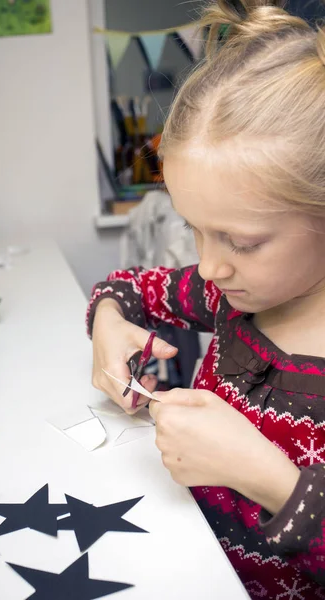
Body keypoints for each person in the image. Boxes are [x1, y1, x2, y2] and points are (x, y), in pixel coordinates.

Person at [86, 1, 325, 598]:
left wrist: (271, 478)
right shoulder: (229, 295)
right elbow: (126, 287)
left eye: (241, 241)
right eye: (194, 228)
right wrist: (109, 324)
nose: (210, 265)